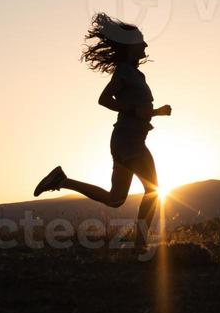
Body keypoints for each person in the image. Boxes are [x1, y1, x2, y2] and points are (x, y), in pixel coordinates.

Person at [33, 13, 171, 250]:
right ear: (130, 47)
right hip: (129, 142)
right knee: (153, 190)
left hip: (129, 140)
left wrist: (157, 112)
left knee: (116, 199)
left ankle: (61, 180)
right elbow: (104, 99)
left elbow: (138, 110)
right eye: (141, 41)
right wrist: (134, 109)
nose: (146, 45)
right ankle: (140, 246)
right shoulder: (124, 72)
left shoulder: (136, 73)